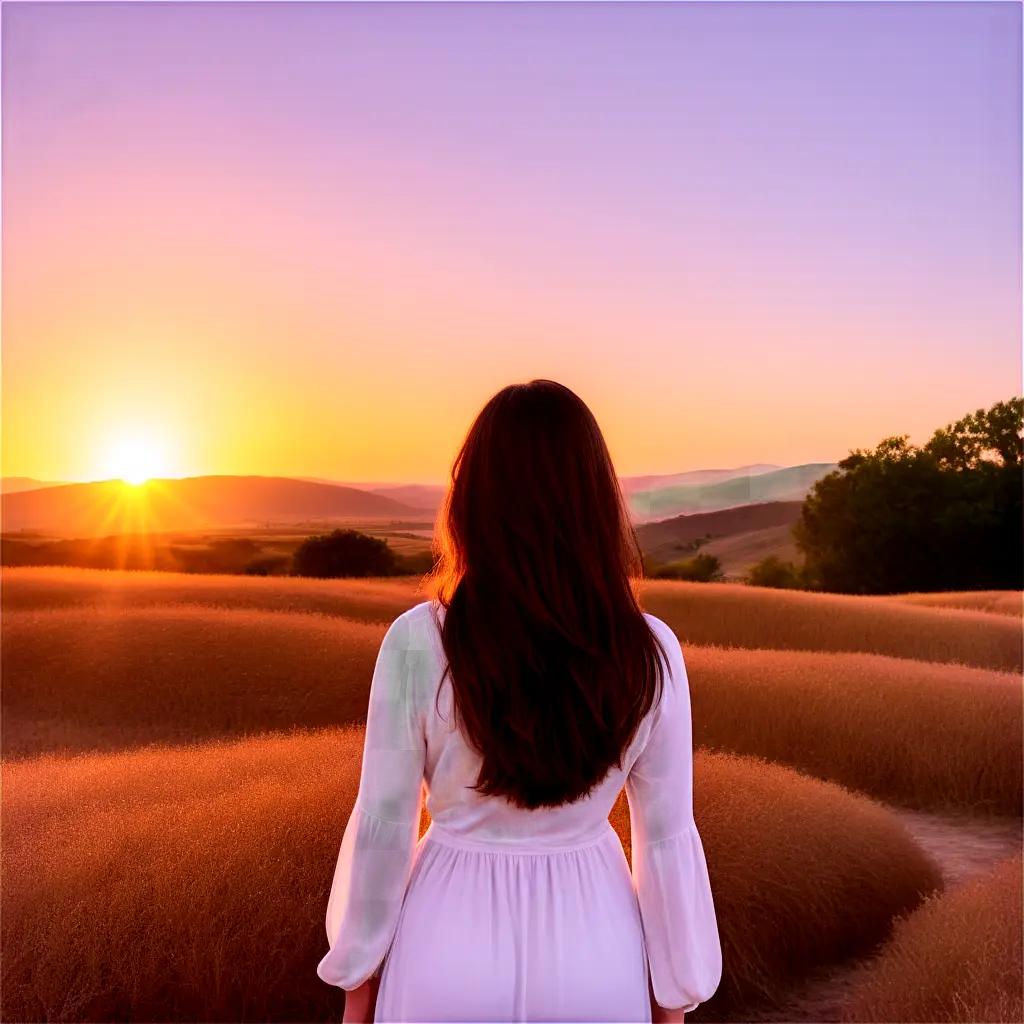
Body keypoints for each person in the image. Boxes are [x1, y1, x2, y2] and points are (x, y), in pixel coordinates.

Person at [316, 380, 723, 1023]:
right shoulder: (651, 652)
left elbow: (386, 825)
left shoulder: (417, 643)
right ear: (595, 503)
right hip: (596, 949)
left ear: (472, 497)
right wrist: (673, 1003)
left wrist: (356, 992)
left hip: (446, 946)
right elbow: (667, 838)